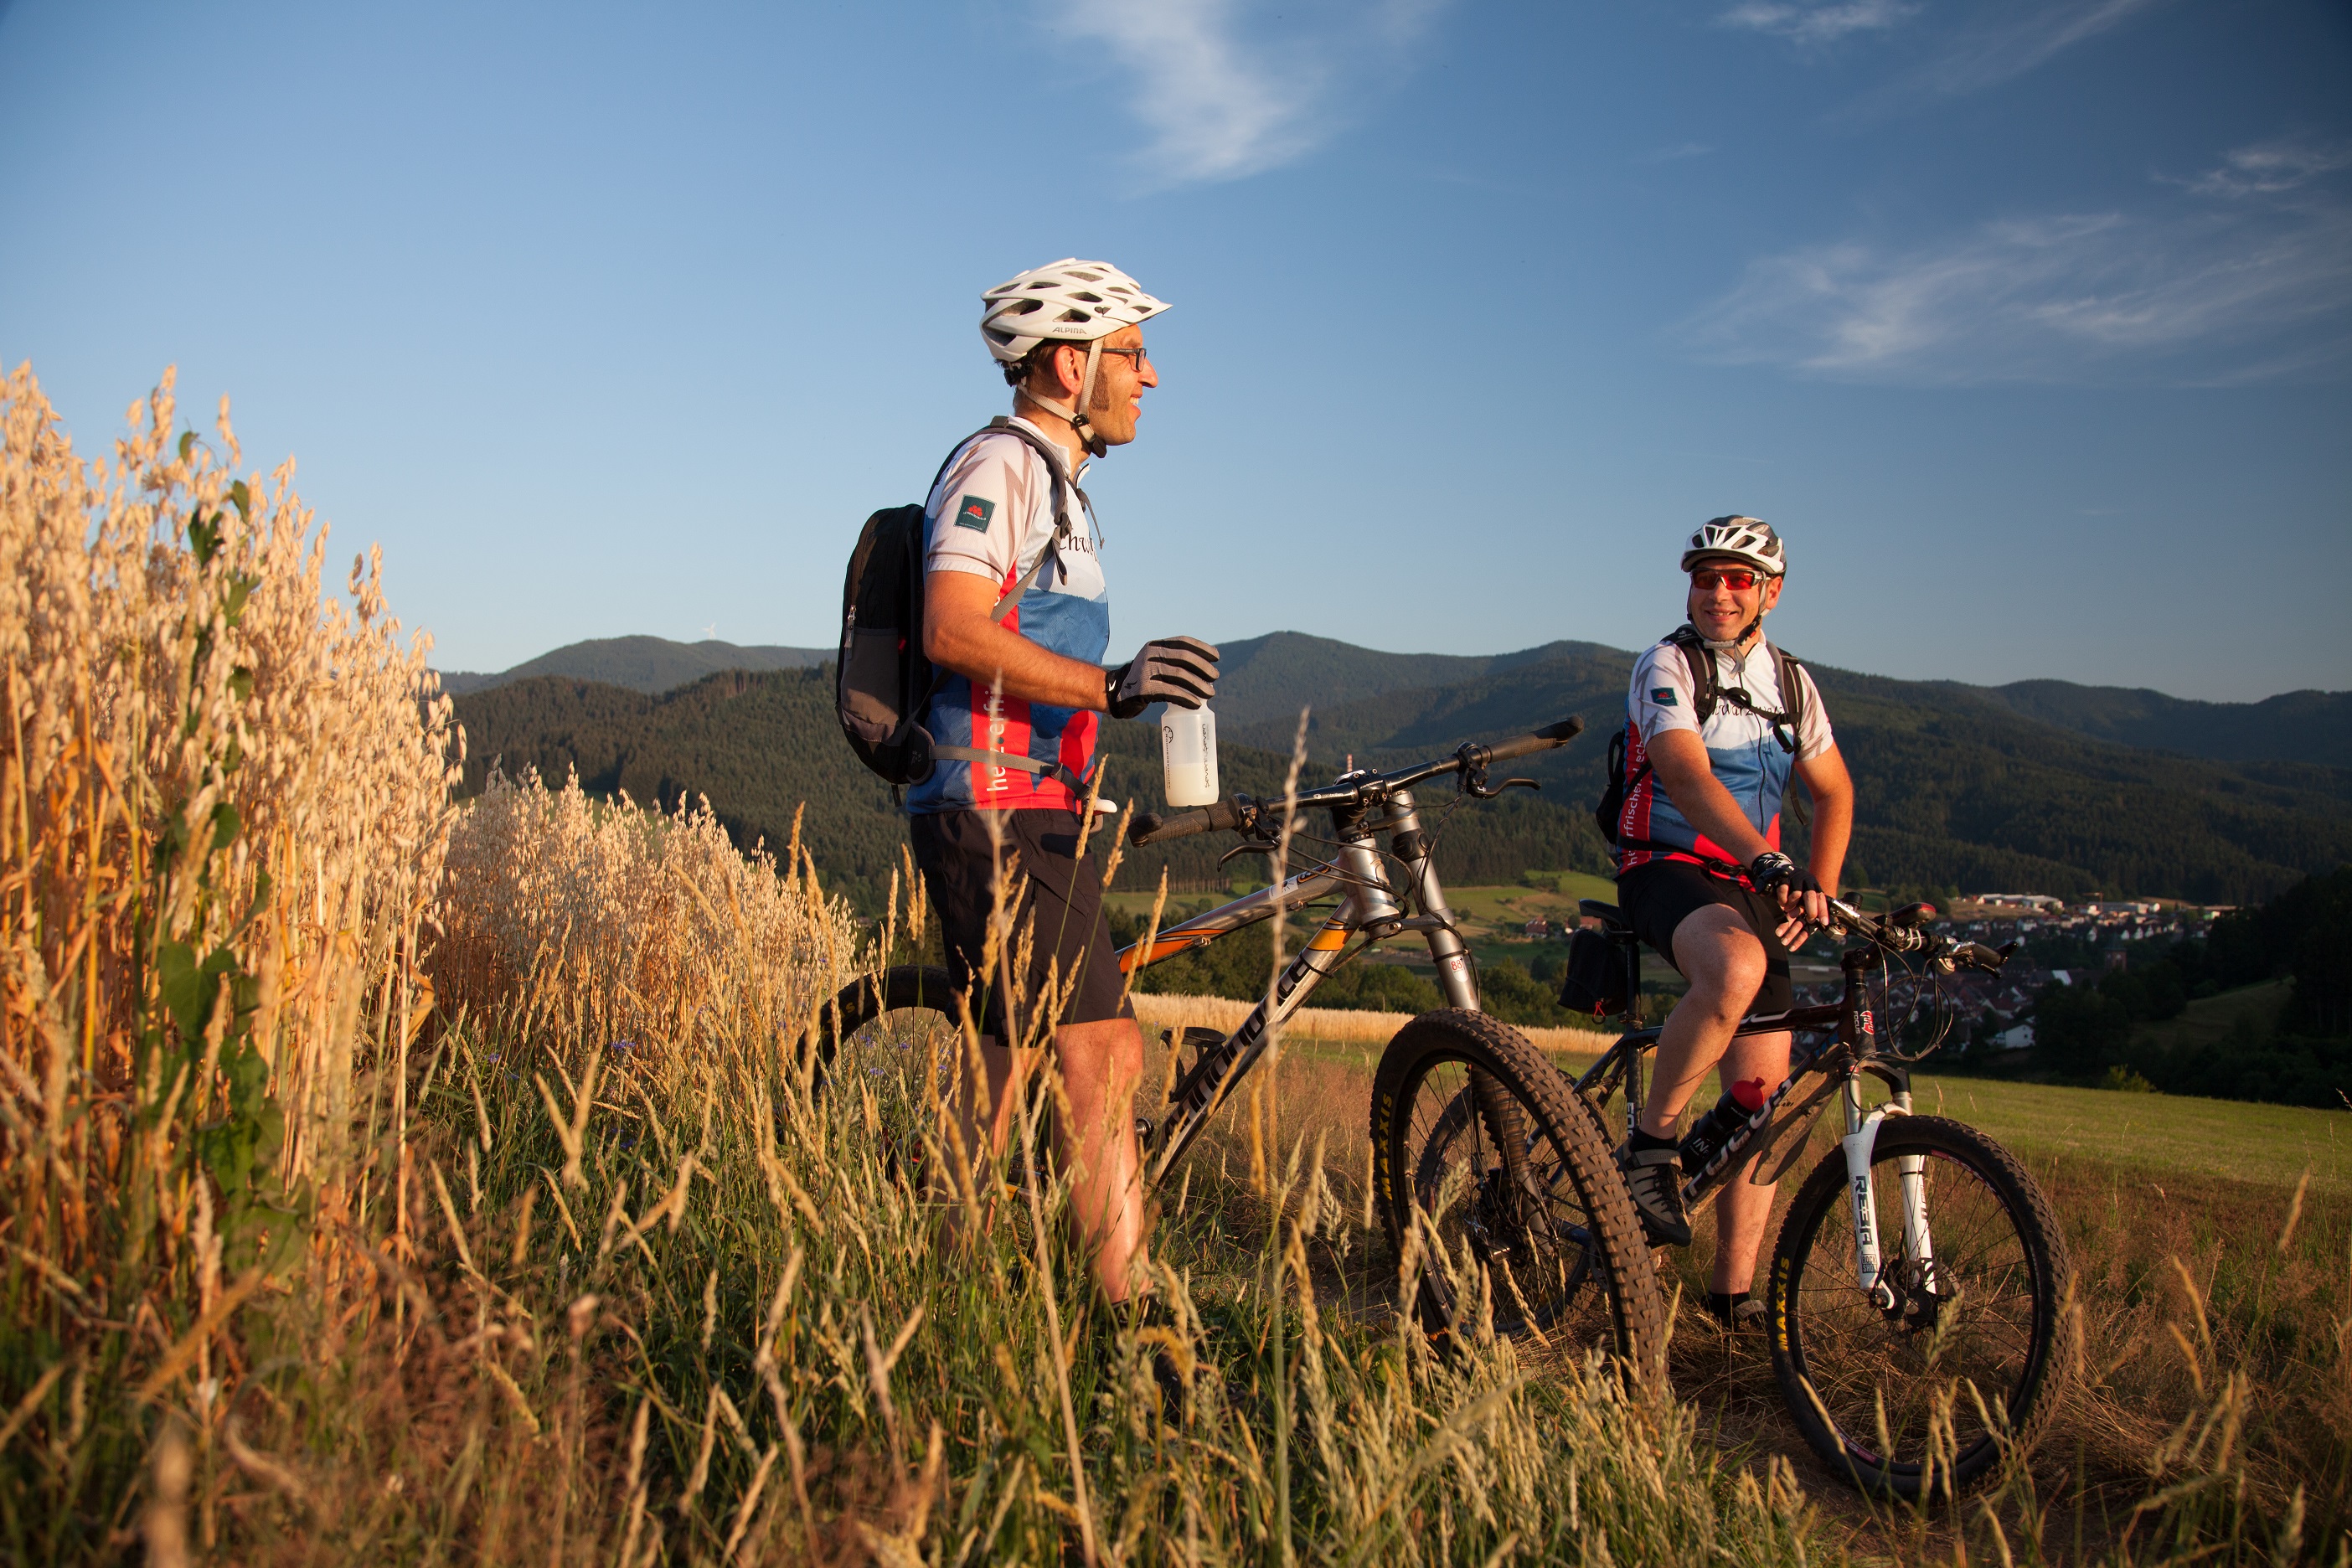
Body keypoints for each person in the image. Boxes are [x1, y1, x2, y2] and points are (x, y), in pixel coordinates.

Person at [907, 258, 1219, 1316]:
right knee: (1105, 1053)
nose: (1151, 377)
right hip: (991, 802)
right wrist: (1109, 684)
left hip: (1033, 803)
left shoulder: (1062, 489)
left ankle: (935, 1287)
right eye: (1134, 354)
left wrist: (1115, 706)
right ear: (1069, 365)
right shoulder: (1001, 466)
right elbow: (951, 626)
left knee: (1005, 1062)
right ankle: (1131, 1325)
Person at [1607, 517, 1854, 1330]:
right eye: (1705, 577)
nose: (1718, 592)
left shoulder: (1793, 684)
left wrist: (1820, 888)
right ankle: (1650, 1150)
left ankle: (1730, 1302)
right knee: (1736, 969)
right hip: (1665, 867)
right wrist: (1768, 861)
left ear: (1770, 593)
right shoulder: (1667, 665)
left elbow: (1833, 791)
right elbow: (1683, 775)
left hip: (1754, 883)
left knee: (1759, 1107)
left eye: (1738, 579)